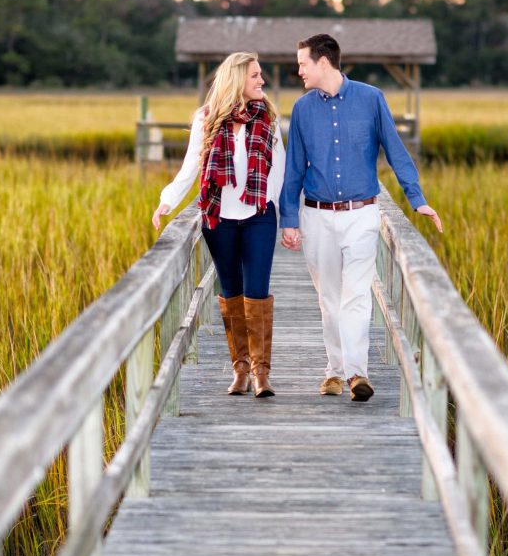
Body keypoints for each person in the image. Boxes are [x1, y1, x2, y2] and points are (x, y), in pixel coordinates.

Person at [280, 34, 442, 402]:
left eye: (303, 63)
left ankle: (357, 373)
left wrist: (417, 199)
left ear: (324, 62)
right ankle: (334, 371)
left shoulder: (371, 99)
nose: (299, 70)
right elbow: (293, 168)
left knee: (356, 296)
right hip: (317, 215)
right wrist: (288, 219)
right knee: (329, 298)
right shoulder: (303, 108)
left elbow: (395, 150)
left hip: (362, 214)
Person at [152, 52, 284, 398]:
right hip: (218, 219)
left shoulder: (267, 117)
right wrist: (167, 201)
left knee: (257, 291)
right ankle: (239, 369)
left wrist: (271, 206)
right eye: (256, 76)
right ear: (238, 78)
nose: (262, 81)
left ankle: (260, 373)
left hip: (258, 216)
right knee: (230, 293)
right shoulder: (207, 119)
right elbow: (191, 166)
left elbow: (279, 168)